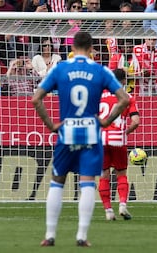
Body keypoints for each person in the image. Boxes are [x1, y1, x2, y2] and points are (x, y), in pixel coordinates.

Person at [32, 32, 130, 247]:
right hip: (90, 133)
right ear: (92, 48)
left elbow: (36, 98)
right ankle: (82, 237)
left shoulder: (60, 69)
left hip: (66, 133)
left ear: (73, 47)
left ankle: (50, 235)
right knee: (87, 183)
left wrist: (51, 125)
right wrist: (105, 122)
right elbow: (124, 99)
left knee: (57, 182)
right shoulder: (100, 70)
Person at [98, 68, 140, 221]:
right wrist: (125, 132)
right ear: (123, 81)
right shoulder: (127, 97)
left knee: (104, 175)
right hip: (118, 139)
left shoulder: (98, 96)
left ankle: (108, 211)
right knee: (121, 174)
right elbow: (136, 122)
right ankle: (122, 204)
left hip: (100, 138)